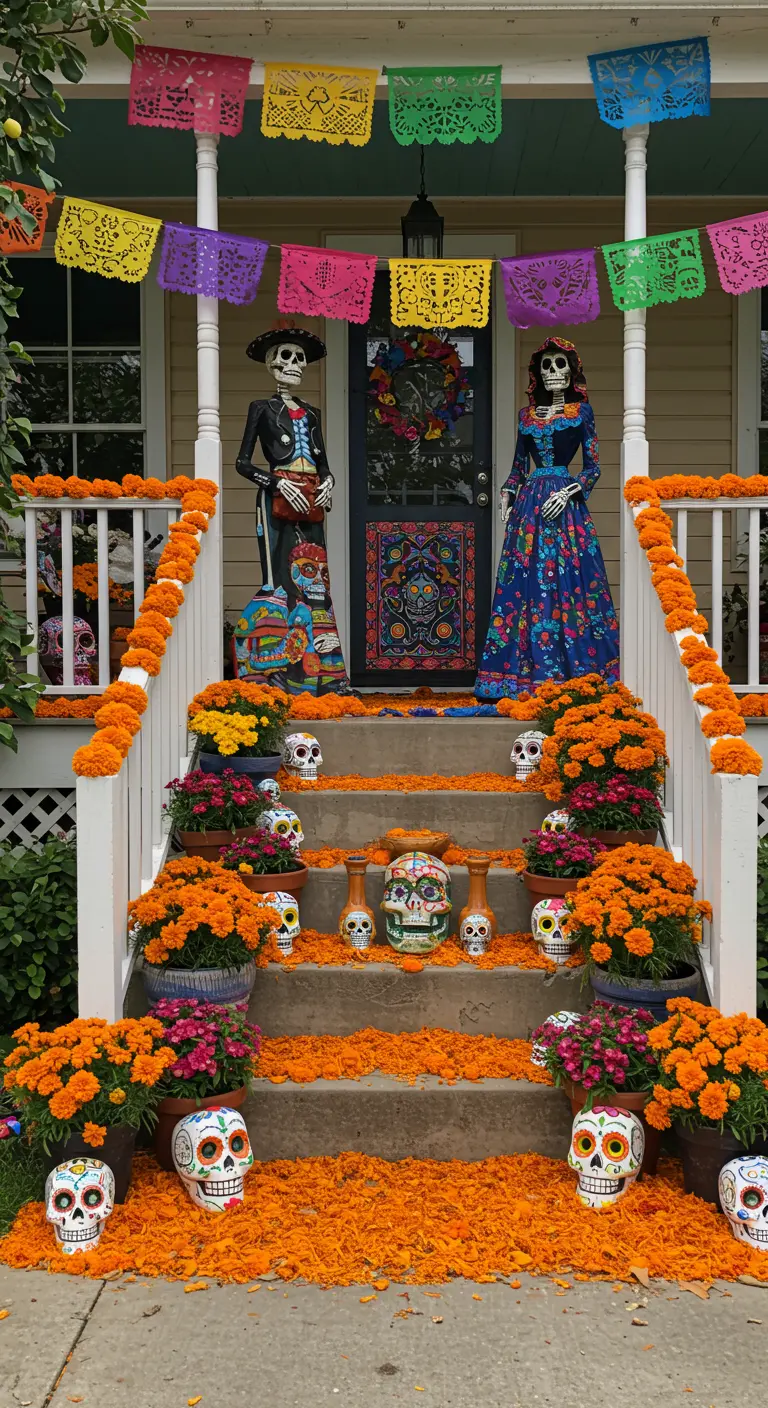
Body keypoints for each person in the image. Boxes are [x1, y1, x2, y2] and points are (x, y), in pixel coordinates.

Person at [475, 337, 619, 699]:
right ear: (537, 374)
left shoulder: (582, 413)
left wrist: (568, 492)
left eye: (560, 364)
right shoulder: (525, 417)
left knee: (570, 581)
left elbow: (593, 467)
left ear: (572, 371)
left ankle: (576, 671)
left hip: (564, 507)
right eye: (546, 365)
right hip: (529, 510)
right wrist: (507, 493)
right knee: (525, 584)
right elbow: (518, 468)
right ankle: (517, 677)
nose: (552, 371)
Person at [233, 327, 350, 695]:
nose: (295, 364)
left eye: (300, 358)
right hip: (278, 498)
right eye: (287, 357)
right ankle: (278, 669)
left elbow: (322, 462)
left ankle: (325, 675)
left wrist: (328, 481)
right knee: (280, 579)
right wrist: (276, 484)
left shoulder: (312, 413)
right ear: (272, 364)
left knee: (316, 581)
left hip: (311, 499)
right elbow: (242, 463)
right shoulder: (261, 409)